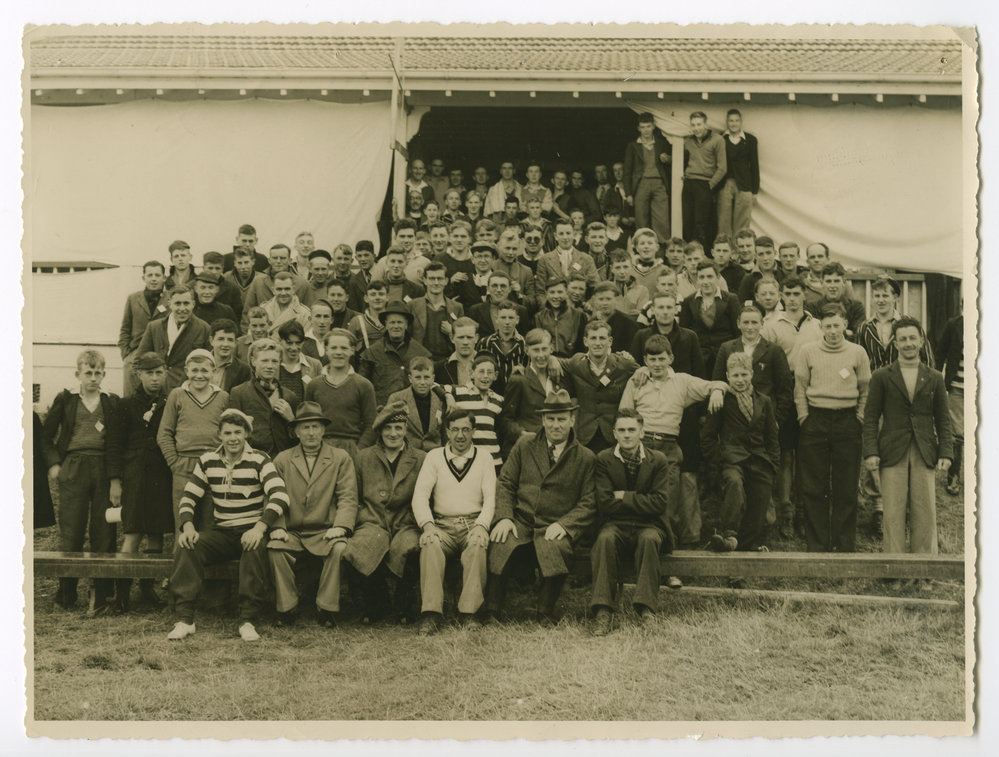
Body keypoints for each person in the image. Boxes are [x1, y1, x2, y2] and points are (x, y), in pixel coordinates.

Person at [166, 409, 289, 642]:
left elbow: (280, 495)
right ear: (219, 436)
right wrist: (188, 527)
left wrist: (260, 528)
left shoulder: (260, 459)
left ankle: (247, 621)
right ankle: (185, 619)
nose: (233, 438)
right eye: (228, 433)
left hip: (250, 531)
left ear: (246, 434)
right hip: (222, 532)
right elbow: (189, 497)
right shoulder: (207, 460)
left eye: (238, 432)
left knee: (253, 548)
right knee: (188, 545)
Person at [486, 390, 597, 624]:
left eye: (561, 419)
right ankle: (492, 610)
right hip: (522, 521)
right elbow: (505, 483)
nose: (556, 425)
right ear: (543, 420)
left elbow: (588, 502)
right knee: (501, 541)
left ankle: (544, 611)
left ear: (572, 420)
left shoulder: (585, 457)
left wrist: (565, 525)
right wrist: (505, 517)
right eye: (551, 419)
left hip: (555, 524)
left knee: (555, 547)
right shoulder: (525, 445)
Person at [619, 335, 727, 558]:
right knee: (638, 499)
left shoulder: (682, 381)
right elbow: (624, 414)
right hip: (641, 445)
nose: (657, 364)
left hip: (668, 446)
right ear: (645, 361)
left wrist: (717, 391)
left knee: (667, 503)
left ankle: (667, 558)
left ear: (671, 358)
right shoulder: (636, 380)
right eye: (652, 360)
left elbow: (717, 383)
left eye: (661, 359)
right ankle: (638, 554)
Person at [862, 318, 953, 555]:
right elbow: (870, 417)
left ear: (922, 341)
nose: (908, 343)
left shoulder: (934, 377)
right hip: (892, 451)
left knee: (925, 511)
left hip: (924, 450)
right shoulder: (882, 376)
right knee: (892, 511)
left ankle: (925, 566)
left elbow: (943, 419)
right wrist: (870, 451)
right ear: (895, 343)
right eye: (902, 339)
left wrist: (946, 452)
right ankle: (894, 566)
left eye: (913, 338)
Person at [41, 349, 121, 615]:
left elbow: (116, 444)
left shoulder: (110, 403)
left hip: (102, 468)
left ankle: (102, 589)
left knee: (104, 529)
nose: (93, 378)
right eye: (88, 373)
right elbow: (45, 436)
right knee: (72, 528)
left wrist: (115, 479)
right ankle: (66, 590)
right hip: (73, 467)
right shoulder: (66, 400)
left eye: (98, 373)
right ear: (78, 374)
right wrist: (54, 463)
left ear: (104, 375)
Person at [268, 401, 358, 628]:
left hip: (325, 529)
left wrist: (341, 526)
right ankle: (287, 607)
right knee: (275, 548)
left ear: (323, 430)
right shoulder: (282, 459)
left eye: (315, 427)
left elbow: (348, 496)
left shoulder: (340, 458)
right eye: (305, 428)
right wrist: (277, 526)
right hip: (293, 529)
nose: (311, 433)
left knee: (339, 547)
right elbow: (272, 496)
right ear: (296, 431)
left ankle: (325, 608)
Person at [411, 408, 496, 634]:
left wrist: (481, 526)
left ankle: (470, 614)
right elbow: (420, 495)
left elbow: (490, 499)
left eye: (466, 430)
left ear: (474, 431)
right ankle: (431, 614)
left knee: (478, 545)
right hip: (442, 525)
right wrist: (428, 526)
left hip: (472, 524)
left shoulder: (485, 458)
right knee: (429, 544)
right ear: (447, 431)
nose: (460, 436)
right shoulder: (434, 457)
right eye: (455, 430)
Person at [794, 303, 871, 552]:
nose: (832, 331)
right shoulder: (807, 351)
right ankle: (817, 545)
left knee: (845, 486)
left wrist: (858, 417)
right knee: (814, 486)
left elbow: (865, 390)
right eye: (827, 326)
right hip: (815, 420)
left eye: (837, 325)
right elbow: (800, 388)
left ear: (845, 325)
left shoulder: (858, 352)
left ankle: (844, 544)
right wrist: (804, 417)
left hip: (847, 422)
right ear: (821, 327)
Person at [590, 409, 673, 635]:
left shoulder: (658, 460)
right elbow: (605, 503)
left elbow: (659, 503)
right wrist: (640, 501)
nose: (627, 435)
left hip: (650, 524)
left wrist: (624, 496)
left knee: (649, 540)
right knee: (605, 539)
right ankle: (603, 611)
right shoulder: (603, 460)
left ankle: (647, 611)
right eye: (622, 430)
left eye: (632, 430)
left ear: (642, 432)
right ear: (614, 433)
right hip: (615, 524)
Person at [347, 402, 427, 624]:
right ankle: (375, 605)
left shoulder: (421, 458)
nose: (393, 434)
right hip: (372, 520)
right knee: (362, 546)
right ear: (379, 431)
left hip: (406, 522)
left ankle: (405, 607)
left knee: (410, 546)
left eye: (399, 428)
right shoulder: (363, 457)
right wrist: (362, 519)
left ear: (405, 430)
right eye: (388, 428)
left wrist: (414, 520)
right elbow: (353, 495)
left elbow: (425, 497)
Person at [108, 352, 173, 613]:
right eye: (149, 373)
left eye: (159, 372)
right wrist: (115, 481)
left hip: (160, 476)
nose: (155, 378)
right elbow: (113, 445)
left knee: (156, 533)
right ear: (139, 375)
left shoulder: (171, 403)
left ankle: (148, 587)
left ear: (165, 373)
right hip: (134, 476)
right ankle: (122, 593)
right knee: (133, 533)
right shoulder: (124, 405)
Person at [760, 275, 823, 537]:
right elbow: (764, 364)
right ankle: (785, 513)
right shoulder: (771, 326)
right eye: (789, 294)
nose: (793, 298)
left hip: (812, 394)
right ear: (782, 296)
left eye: (798, 293)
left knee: (807, 457)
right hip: (784, 394)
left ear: (804, 295)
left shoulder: (817, 325)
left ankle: (803, 513)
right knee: (785, 455)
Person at [701, 352, 780, 553]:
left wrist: (773, 465)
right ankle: (729, 533)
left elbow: (772, 438)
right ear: (727, 376)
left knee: (761, 494)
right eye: (735, 375)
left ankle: (744, 545)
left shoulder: (764, 401)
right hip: (731, 460)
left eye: (744, 374)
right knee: (735, 484)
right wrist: (718, 461)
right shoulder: (721, 400)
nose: (740, 380)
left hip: (760, 459)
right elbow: (707, 437)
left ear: (752, 374)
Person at [156, 349, 230, 539]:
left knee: (209, 525)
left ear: (213, 371)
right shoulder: (177, 395)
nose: (199, 375)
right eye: (195, 370)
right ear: (187, 370)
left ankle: (207, 567)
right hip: (184, 466)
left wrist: (222, 462)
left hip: (214, 467)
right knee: (183, 523)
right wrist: (175, 463)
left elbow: (229, 433)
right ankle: (181, 565)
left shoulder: (223, 397)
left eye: (205, 370)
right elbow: (164, 434)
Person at [502, 329, 573, 448]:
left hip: (557, 445)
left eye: (544, 349)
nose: (541, 355)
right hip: (530, 445)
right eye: (536, 350)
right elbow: (506, 419)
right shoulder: (519, 380)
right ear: (527, 350)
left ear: (551, 348)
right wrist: (521, 433)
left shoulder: (560, 377)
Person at [228, 338, 298, 457]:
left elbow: (297, 438)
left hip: (282, 460)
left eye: (274, 361)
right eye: (264, 361)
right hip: (251, 460)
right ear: (253, 361)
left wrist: (291, 419)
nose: (270, 366)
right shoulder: (239, 393)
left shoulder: (289, 396)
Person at [135, 285, 212, 393]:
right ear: (169, 304)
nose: (182, 309)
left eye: (186, 303)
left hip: (187, 390)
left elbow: (209, 364)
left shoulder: (203, 328)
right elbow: (139, 360)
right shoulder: (154, 327)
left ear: (193, 304)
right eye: (177, 303)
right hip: (158, 391)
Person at [359, 300, 432, 406]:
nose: (396, 326)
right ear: (386, 325)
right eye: (392, 322)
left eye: (400, 322)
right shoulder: (373, 352)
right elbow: (363, 385)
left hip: (413, 409)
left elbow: (430, 382)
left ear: (406, 325)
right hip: (382, 408)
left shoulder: (420, 352)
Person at [678, 260, 741, 376]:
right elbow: (684, 334)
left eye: (710, 277)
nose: (706, 282)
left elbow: (738, 332)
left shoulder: (731, 299)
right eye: (702, 277)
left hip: (726, 357)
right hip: (699, 359)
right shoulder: (688, 302)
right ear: (697, 279)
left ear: (717, 277)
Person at [118, 260, 169, 396]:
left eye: (157, 275)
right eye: (150, 275)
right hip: (135, 355)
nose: (153, 279)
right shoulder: (133, 298)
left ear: (164, 278)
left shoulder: (170, 300)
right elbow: (125, 328)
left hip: (159, 355)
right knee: (131, 397)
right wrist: (126, 354)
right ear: (143, 277)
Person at [448, 352, 506, 469]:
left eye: (489, 373)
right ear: (471, 373)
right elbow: (433, 385)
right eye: (481, 371)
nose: (485, 376)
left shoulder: (499, 400)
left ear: (495, 376)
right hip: (468, 460)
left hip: (493, 460)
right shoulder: (459, 392)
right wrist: (447, 396)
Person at [623, 112, 671, 243]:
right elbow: (627, 171)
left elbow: (672, 161)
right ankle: (642, 248)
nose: (646, 130)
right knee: (641, 218)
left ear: (654, 126)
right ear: (638, 128)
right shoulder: (633, 146)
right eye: (643, 127)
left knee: (662, 218)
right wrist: (629, 194)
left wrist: (667, 159)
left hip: (659, 183)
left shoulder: (661, 143)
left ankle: (662, 249)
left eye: (648, 126)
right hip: (641, 184)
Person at [682, 111, 727, 250]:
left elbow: (722, 168)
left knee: (701, 223)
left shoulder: (717, 140)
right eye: (693, 125)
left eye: (699, 124)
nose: (696, 128)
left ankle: (703, 254)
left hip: (705, 184)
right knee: (687, 220)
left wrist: (710, 185)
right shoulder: (688, 141)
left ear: (705, 124)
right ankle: (689, 253)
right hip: (689, 183)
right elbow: (683, 160)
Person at [386, 356, 446, 452]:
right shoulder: (396, 399)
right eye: (418, 377)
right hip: (406, 453)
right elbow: (388, 431)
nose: (422, 382)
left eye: (426, 377)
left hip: (433, 454)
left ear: (433, 378)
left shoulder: (440, 400)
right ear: (410, 378)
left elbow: (444, 434)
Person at [716, 108, 760, 238]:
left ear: (741, 122)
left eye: (736, 120)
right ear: (727, 122)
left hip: (745, 184)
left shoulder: (750, 140)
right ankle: (726, 252)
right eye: (731, 121)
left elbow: (754, 166)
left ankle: (739, 252)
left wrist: (755, 190)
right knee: (723, 220)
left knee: (742, 223)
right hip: (725, 184)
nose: (733, 123)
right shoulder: (720, 139)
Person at [240, 244, 309, 326]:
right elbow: (247, 313)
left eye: (282, 258)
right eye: (275, 258)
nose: (278, 261)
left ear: (290, 260)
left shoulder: (302, 283)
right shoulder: (258, 281)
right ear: (269, 260)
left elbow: (309, 313)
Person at [408, 261, 463, 362]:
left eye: (440, 279)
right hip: (421, 361)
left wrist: (452, 332)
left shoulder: (457, 307)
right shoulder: (413, 305)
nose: (436, 283)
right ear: (425, 280)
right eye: (432, 279)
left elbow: (463, 339)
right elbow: (408, 337)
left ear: (446, 281)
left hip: (447, 361)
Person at [936, 311, 964, 495]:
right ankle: (953, 476)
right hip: (958, 386)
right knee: (958, 432)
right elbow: (940, 353)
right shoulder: (953, 325)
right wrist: (936, 382)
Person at [475, 300, 528, 394]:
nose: (507, 322)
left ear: (517, 319)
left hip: (518, 394)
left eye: (511, 318)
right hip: (491, 395)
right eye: (503, 317)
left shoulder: (525, 344)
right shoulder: (485, 343)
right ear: (496, 319)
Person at [805, 262, 866, 339]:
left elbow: (859, 335)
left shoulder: (856, 308)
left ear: (844, 283)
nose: (832, 286)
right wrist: (845, 331)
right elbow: (812, 335)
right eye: (828, 281)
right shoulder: (812, 308)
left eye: (836, 281)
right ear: (822, 283)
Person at [535, 219, 600, 292]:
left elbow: (596, 288)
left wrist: (588, 303)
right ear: (555, 236)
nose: (565, 237)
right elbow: (540, 291)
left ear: (573, 234)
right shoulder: (545, 260)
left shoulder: (586, 259)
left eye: (568, 233)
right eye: (561, 234)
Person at [534, 277, 587, 358]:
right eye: (552, 292)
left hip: (572, 363)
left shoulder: (579, 315)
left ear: (566, 292)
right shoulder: (539, 317)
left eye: (560, 292)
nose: (556, 296)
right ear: (546, 294)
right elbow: (539, 345)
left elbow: (582, 348)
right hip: (547, 362)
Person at [277, 320, 323, 405]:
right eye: (289, 343)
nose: (294, 348)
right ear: (280, 341)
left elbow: (320, 397)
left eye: (298, 343)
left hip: (305, 416)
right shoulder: (273, 364)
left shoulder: (315, 365)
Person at [258, 272, 313, 339]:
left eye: (287, 289)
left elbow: (306, 342)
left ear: (293, 289)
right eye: (279, 289)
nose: (283, 293)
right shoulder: (263, 309)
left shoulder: (304, 314)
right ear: (273, 290)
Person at [589, 281, 640, 353]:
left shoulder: (628, 324)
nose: (604, 303)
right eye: (601, 299)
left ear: (616, 300)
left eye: (608, 299)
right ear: (595, 301)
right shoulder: (591, 324)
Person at [493, 225, 538, 306]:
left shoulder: (526, 271)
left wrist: (519, 295)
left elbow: (533, 302)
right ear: (499, 247)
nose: (511, 253)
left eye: (514, 249)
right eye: (507, 248)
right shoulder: (491, 267)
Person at [736, 236, 783, 305]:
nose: (765, 258)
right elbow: (742, 305)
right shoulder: (748, 279)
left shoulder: (783, 275)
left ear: (775, 253)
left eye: (768, 253)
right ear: (755, 256)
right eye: (761, 254)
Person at [208, 318, 251, 392]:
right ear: (211, 340)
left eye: (230, 340)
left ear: (235, 342)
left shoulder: (243, 370)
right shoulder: (198, 363)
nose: (225, 344)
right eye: (221, 339)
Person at [436, 316, 479, 389]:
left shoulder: (489, 366)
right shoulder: (440, 368)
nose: (465, 342)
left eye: (469, 337)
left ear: (476, 338)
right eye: (461, 337)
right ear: (452, 338)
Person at [348, 280, 389, 354]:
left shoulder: (393, 320)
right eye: (373, 294)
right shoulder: (356, 322)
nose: (377, 297)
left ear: (387, 297)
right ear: (366, 298)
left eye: (381, 294)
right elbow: (349, 349)